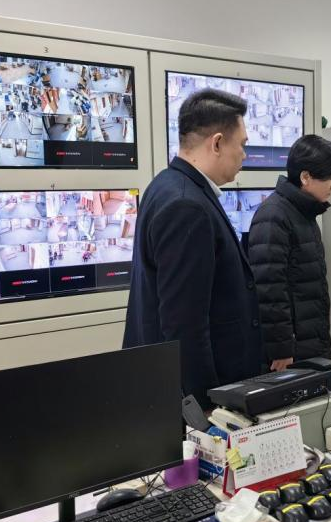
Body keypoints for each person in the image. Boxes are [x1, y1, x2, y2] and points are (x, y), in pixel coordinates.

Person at [123, 89, 261, 407]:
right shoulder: (188, 206)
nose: (244, 155)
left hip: (166, 381)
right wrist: (206, 411)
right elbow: (184, 324)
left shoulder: (167, 185)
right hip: (199, 398)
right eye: (242, 144)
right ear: (217, 143)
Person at [247, 134, 331, 370]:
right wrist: (281, 347)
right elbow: (270, 288)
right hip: (290, 351)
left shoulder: (304, 212)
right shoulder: (274, 215)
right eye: (329, 177)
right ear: (305, 177)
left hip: (309, 339)